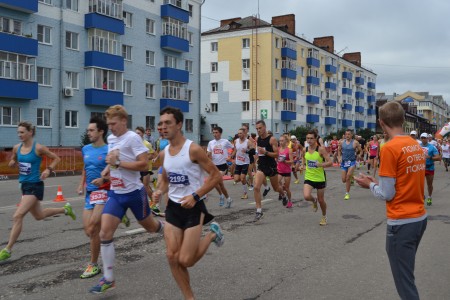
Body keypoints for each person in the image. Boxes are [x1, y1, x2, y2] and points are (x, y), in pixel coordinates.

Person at [355, 101, 427, 300]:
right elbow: (404, 181)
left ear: (381, 122)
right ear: (403, 120)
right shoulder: (414, 145)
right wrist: (377, 182)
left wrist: (369, 185)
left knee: (405, 285)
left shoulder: (389, 148)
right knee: (407, 275)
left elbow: (386, 195)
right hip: (419, 217)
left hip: (401, 222)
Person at [89, 105, 163, 294]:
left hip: (134, 193)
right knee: (105, 234)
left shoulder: (133, 138)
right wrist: (106, 172)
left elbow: (144, 164)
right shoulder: (112, 138)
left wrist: (119, 163)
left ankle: (170, 228)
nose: (111, 127)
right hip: (116, 193)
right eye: (109, 124)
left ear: (123, 121)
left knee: (152, 228)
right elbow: (111, 160)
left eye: (113, 123)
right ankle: (108, 278)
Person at [152, 107, 224, 300]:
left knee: (186, 260)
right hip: (173, 208)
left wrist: (195, 195)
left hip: (194, 207)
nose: (163, 127)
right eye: (161, 123)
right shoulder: (164, 152)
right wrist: (160, 191)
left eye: (167, 123)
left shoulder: (193, 149)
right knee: (172, 257)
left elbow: (216, 175)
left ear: (179, 125)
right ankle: (189, 298)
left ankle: (212, 235)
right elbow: (166, 180)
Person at [0, 121, 76, 262]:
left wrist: (48, 169)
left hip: (35, 186)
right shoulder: (17, 148)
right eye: (18, 132)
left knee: (18, 215)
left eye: (22, 132)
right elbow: (14, 159)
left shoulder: (38, 148)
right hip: (24, 185)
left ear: (30, 132)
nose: (19, 135)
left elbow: (56, 158)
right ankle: (65, 209)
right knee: (39, 216)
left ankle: (7, 249)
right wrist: (12, 163)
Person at [78, 117, 111, 279]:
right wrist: (80, 184)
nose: (88, 132)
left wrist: (104, 179)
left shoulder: (109, 150)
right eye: (88, 130)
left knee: (92, 228)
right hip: (89, 193)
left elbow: (117, 172)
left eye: (91, 130)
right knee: (89, 231)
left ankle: (93, 264)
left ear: (101, 131)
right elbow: (86, 167)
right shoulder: (85, 149)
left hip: (104, 192)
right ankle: (115, 218)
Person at [253, 120, 287, 221]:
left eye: (260, 128)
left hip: (271, 167)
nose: (258, 130)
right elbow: (257, 152)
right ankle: (259, 211)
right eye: (257, 129)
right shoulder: (258, 139)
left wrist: (266, 152)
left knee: (276, 188)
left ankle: (283, 194)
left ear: (264, 127)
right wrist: (256, 159)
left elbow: (277, 154)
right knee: (256, 187)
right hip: (262, 167)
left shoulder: (272, 139)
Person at [301, 130, 332, 225]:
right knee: (306, 196)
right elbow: (303, 158)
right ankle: (314, 200)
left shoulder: (320, 149)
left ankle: (324, 216)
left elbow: (330, 162)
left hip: (320, 178)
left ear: (315, 139)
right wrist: (302, 165)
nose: (309, 140)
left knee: (321, 200)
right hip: (309, 177)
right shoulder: (304, 149)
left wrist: (320, 164)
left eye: (311, 138)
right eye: (307, 138)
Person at [206, 126, 233, 207]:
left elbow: (234, 148)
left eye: (216, 132)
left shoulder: (225, 141)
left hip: (223, 166)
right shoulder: (211, 143)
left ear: (220, 133)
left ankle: (207, 195)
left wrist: (230, 156)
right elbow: (208, 153)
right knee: (220, 184)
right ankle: (227, 198)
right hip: (214, 166)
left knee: (214, 180)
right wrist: (207, 156)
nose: (214, 134)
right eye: (213, 132)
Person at [135, 126, 158, 215]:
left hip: (146, 168)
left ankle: (154, 204)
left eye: (139, 133)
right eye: (136, 133)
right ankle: (143, 206)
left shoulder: (146, 144)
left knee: (146, 187)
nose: (137, 135)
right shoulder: (134, 144)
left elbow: (152, 155)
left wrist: (142, 158)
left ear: (142, 134)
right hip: (137, 169)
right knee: (138, 188)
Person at [338, 129, 362, 200]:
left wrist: (359, 155)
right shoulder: (342, 142)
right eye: (346, 134)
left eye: (349, 134)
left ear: (352, 135)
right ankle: (351, 178)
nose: (347, 136)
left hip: (352, 162)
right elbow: (339, 150)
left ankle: (347, 193)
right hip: (344, 162)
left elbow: (361, 151)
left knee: (348, 177)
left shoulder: (355, 142)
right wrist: (339, 157)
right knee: (343, 180)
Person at [419, 132, 440, 206]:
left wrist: (430, 157)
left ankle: (429, 197)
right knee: (419, 184)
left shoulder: (432, 147)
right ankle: (421, 196)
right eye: (422, 138)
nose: (423, 139)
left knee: (429, 184)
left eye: (425, 138)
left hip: (429, 167)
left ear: (427, 139)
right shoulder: (417, 146)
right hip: (420, 168)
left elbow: (438, 157)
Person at [231, 128, 252, 201]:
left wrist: (247, 151)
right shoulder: (236, 141)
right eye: (238, 133)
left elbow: (252, 151)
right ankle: (246, 181)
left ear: (244, 134)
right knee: (236, 179)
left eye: (241, 133)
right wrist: (231, 156)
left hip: (245, 162)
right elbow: (235, 150)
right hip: (238, 162)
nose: (239, 134)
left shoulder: (248, 142)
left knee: (242, 178)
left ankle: (245, 193)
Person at [277, 134, 294, 208]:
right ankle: (282, 193)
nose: (280, 142)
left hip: (287, 171)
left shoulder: (289, 150)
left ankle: (290, 201)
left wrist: (285, 161)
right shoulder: (278, 149)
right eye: (280, 141)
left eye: (282, 141)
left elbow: (291, 161)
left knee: (287, 188)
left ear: (286, 141)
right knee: (277, 183)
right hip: (279, 170)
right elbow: (276, 158)